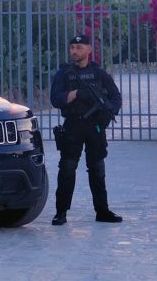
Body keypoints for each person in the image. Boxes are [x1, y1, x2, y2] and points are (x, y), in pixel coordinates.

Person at [50, 34, 122, 226]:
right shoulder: (64, 74)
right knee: (67, 169)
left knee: (97, 169)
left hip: (95, 126)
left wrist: (108, 113)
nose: (75, 51)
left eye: (79, 47)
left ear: (89, 50)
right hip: (73, 125)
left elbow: (115, 97)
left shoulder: (99, 74)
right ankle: (61, 212)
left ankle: (102, 211)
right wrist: (75, 94)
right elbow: (55, 99)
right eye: (72, 47)